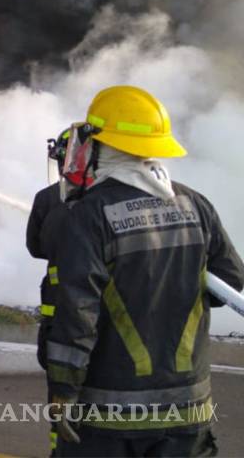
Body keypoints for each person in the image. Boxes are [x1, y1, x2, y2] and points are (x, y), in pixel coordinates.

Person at [45, 86, 244, 457]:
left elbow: (76, 314)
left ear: (100, 147)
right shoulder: (195, 205)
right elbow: (231, 280)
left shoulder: (88, 216)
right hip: (188, 412)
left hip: (110, 418)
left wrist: (63, 391)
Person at [27, 129, 71, 370]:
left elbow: (35, 248)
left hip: (59, 305)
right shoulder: (116, 197)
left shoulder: (47, 198)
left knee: (58, 368)